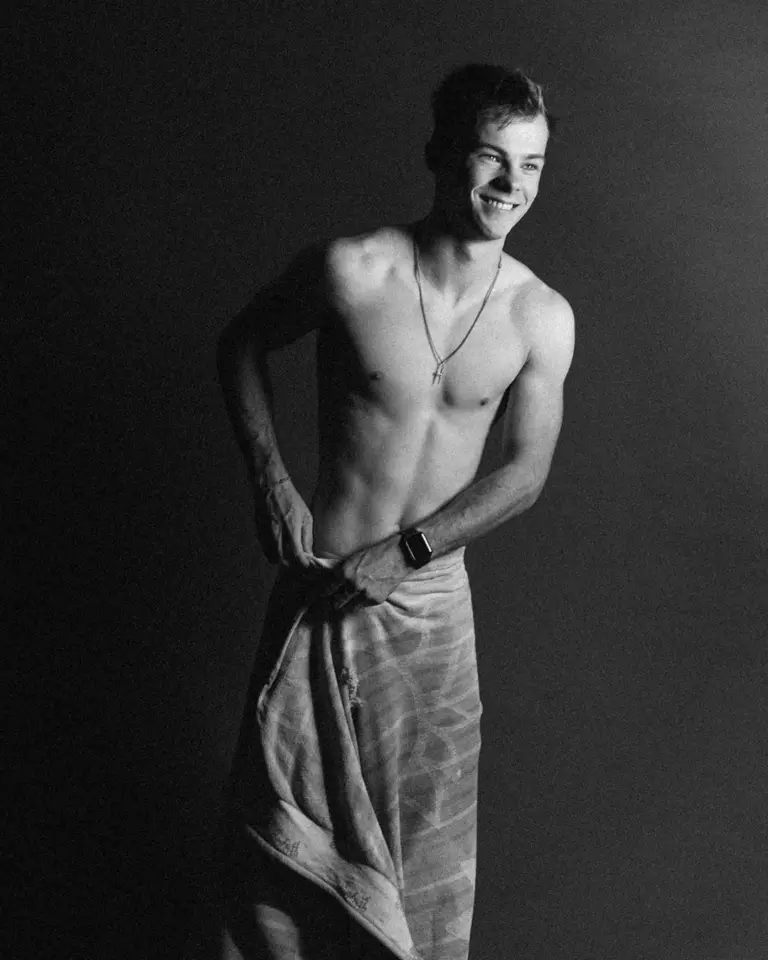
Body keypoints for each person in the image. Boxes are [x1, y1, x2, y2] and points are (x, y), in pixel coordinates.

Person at [217, 63, 575, 960]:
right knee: (272, 874)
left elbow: (526, 473)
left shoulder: (540, 316)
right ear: (439, 154)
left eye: (531, 165)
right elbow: (243, 342)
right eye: (491, 158)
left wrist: (408, 553)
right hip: (322, 600)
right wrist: (270, 480)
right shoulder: (354, 269)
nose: (511, 185)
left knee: (423, 871)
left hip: (429, 621)